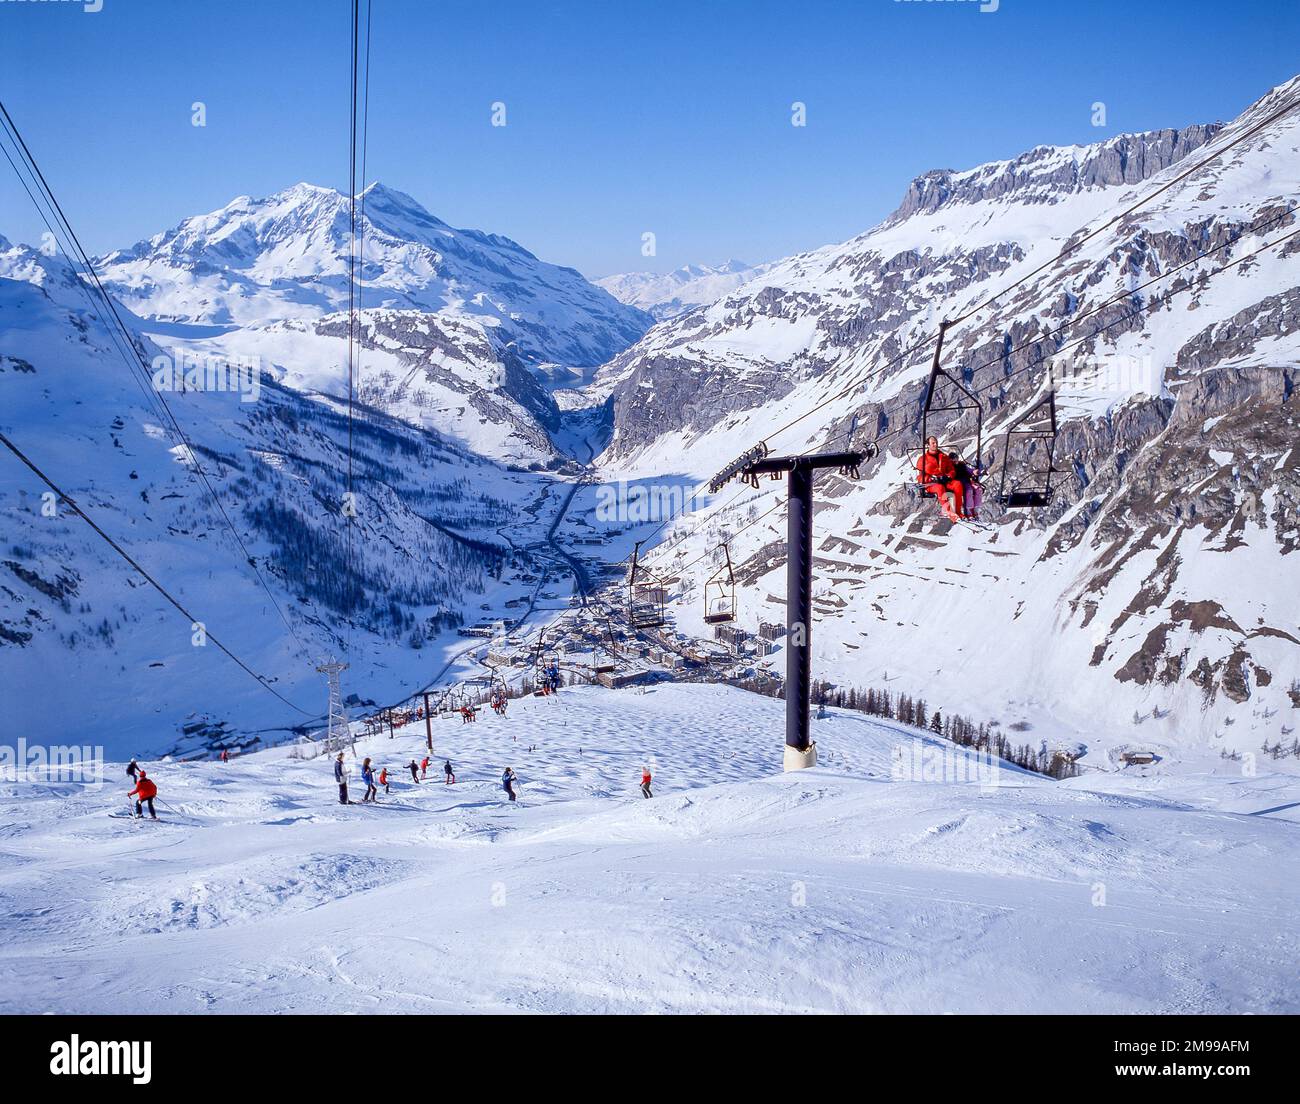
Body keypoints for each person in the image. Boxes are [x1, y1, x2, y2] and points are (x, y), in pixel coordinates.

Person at [915, 436, 965, 522]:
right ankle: (949, 512)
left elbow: (951, 470)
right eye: (933, 443)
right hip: (932, 484)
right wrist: (930, 478)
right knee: (939, 488)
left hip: (944, 480)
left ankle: (957, 511)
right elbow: (920, 477)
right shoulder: (922, 460)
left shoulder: (943, 457)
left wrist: (948, 476)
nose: (935, 445)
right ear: (928, 445)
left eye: (936, 442)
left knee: (957, 484)